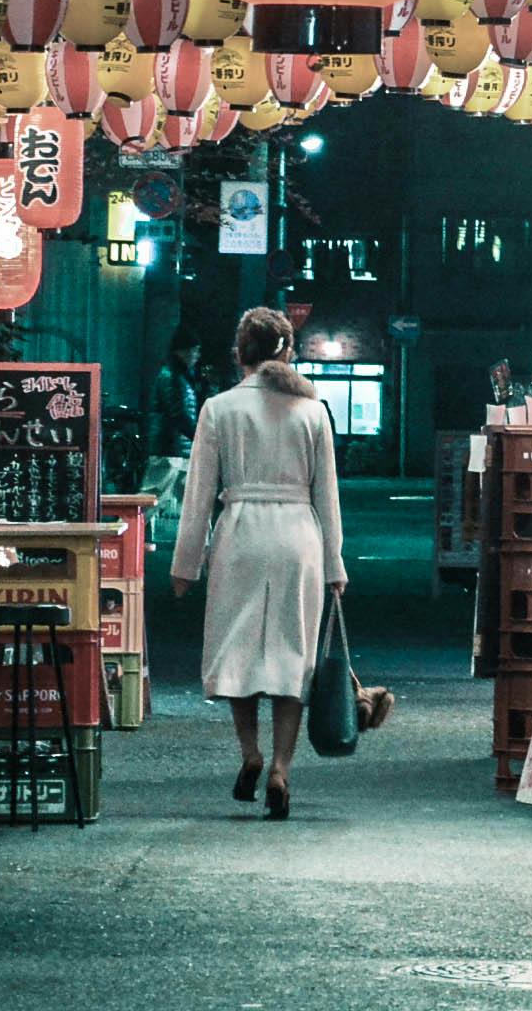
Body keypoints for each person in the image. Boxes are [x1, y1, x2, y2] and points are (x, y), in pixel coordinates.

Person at [170, 306, 347, 819]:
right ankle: (281, 770)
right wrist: (334, 566)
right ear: (287, 351)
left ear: (238, 352)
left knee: (239, 650)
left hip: (241, 534)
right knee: (293, 654)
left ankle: (250, 753)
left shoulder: (218, 408)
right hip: (298, 537)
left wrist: (186, 566)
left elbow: (198, 494)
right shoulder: (312, 411)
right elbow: (327, 494)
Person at [146, 332, 200, 458]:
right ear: (182, 351)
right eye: (195, 350)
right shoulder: (172, 376)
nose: (197, 356)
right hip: (169, 449)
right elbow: (178, 414)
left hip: (174, 448)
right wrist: (200, 436)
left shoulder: (179, 376)